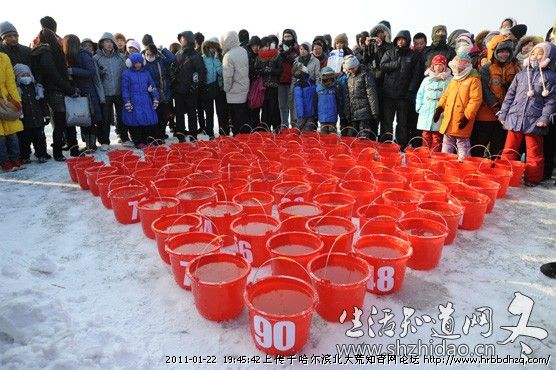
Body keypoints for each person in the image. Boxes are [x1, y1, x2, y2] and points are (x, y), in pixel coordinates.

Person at [499, 42, 556, 186]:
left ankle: (532, 178)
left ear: (548, 56)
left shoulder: (550, 77)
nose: (536, 56)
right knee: (509, 150)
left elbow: (551, 100)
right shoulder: (521, 75)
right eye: (534, 53)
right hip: (515, 117)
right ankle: (504, 174)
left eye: (540, 53)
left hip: (535, 120)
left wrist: (544, 117)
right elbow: (510, 96)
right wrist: (504, 113)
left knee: (534, 153)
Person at [31, 29, 80, 160]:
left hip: (56, 91)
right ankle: (58, 152)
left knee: (67, 122)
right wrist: (70, 89)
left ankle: (73, 149)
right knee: (61, 123)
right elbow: (54, 75)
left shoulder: (43, 52)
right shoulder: (48, 52)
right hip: (56, 92)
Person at [472, 38, 520, 158]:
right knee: (479, 145)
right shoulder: (487, 68)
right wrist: (496, 107)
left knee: (497, 147)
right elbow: (484, 90)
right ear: (495, 52)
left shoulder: (514, 68)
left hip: (504, 116)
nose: (504, 54)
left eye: (507, 52)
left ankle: (494, 170)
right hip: (486, 114)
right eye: (501, 52)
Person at [434, 53, 482, 159]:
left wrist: (467, 117)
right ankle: (445, 163)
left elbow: (475, 100)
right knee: (447, 144)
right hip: (449, 119)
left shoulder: (473, 80)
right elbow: (446, 95)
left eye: (460, 67)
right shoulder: (454, 79)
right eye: (456, 67)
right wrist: (439, 108)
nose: (457, 69)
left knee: (462, 144)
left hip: (462, 119)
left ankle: (464, 166)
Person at [380, 30, 421, 147]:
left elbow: (416, 75)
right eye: (399, 39)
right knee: (387, 121)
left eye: (403, 39)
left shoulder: (413, 55)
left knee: (402, 122)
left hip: (403, 96)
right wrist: (395, 64)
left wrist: (410, 91)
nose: (401, 41)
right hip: (388, 94)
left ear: (407, 41)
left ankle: (401, 144)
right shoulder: (389, 53)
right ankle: (386, 143)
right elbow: (382, 66)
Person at [64, 34, 103, 151]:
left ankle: (92, 145)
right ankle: (88, 144)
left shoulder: (83, 55)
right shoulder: (71, 56)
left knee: (90, 119)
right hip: (79, 91)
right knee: (83, 118)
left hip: (88, 91)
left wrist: (72, 71)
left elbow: (91, 72)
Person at [94, 32, 129, 148]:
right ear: (102, 43)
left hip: (119, 92)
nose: (109, 44)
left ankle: (124, 137)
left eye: (111, 42)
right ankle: (104, 141)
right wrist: (101, 95)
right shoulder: (96, 58)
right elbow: (96, 79)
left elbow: (125, 75)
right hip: (105, 93)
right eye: (106, 42)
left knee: (121, 116)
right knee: (106, 118)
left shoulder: (120, 57)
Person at [171, 31, 206, 142]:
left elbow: (201, 72)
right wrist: (173, 79)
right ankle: (181, 135)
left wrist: (194, 86)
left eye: (183, 38)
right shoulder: (178, 54)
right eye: (180, 38)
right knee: (179, 114)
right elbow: (173, 69)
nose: (181, 40)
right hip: (178, 89)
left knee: (192, 114)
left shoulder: (196, 55)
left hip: (191, 90)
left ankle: (193, 135)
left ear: (189, 40)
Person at [122, 52, 159, 149]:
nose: (138, 64)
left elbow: (152, 85)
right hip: (134, 100)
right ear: (131, 63)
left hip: (146, 99)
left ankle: (148, 139)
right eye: (135, 62)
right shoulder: (127, 73)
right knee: (136, 120)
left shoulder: (146, 72)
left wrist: (155, 97)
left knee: (147, 119)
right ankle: (138, 141)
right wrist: (127, 101)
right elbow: (125, 88)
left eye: (139, 62)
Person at [13, 63, 49, 163]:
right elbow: (17, 105)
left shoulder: (36, 88)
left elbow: (42, 103)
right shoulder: (17, 90)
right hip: (25, 121)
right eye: (23, 76)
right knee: (24, 140)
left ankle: (41, 154)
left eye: (27, 75)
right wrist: (19, 116)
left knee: (40, 138)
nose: (26, 77)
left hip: (38, 119)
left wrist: (46, 115)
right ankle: (25, 156)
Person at [415, 55, 452, 151]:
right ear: (432, 66)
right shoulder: (426, 80)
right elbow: (420, 94)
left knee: (437, 136)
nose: (438, 67)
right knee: (425, 134)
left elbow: (450, 96)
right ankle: (425, 154)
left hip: (440, 112)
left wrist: (446, 110)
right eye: (436, 65)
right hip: (426, 110)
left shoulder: (449, 80)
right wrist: (419, 107)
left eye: (441, 65)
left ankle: (434, 156)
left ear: (444, 66)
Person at [144, 43, 175, 142]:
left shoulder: (160, 61)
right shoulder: (143, 63)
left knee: (163, 115)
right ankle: (154, 136)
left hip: (162, 91)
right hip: (150, 92)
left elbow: (172, 59)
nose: (149, 57)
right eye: (147, 54)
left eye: (151, 55)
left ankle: (161, 135)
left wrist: (163, 50)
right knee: (153, 116)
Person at [343, 55, 379, 138]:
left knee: (363, 136)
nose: (351, 70)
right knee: (353, 136)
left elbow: (371, 93)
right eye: (349, 69)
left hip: (365, 112)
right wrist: (347, 112)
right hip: (354, 111)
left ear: (357, 65)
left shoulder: (365, 74)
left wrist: (374, 111)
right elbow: (347, 96)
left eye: (353, 68)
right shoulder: (349, 77)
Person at [221, 31, 249, 135]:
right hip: (244, 88)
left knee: (235, 119)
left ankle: (238, 141)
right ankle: (246, 139)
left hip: (234, 91)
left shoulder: (228, 56)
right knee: (243, 117)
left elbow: (228, 77)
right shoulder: (243, 51)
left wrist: (226, 89)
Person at [0, 52, 24, 171]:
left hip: (6, 101)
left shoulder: (4, 57)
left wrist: (17, 101)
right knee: (0, 136)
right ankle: (4, 162)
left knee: (12, 132)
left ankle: (15, 159)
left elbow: (10, 82)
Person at [254, 36, 282, 132]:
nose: (265, 48)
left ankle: (276, 128)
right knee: (264, 109)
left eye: (267, 45)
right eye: (263, 46)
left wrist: (271, 70)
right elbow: (256, 70)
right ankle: (265, 128)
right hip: (263, 87)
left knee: (274, 107)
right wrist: (263, 71)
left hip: (274, 86)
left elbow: (280, 70)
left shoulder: (277, 55)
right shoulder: (259, 57)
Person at [200, 39, 222, 139]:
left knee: (219, 110)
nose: (214, 49)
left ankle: (221, 130)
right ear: (207, 47)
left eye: (215, 47)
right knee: (209, 112)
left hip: (216, 86)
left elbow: (221, 72)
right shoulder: (202, 58)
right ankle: (210, 132)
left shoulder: (218, 58)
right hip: (206, 87)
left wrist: (217, 60)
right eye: (212, 47)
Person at [278, 29, 299, 128]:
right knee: (282, 105)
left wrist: (288, 56)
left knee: (293, 105)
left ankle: (294, 125)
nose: (286, 38)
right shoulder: (280, 49)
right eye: (285, 37)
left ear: (293, 37)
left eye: (289, 36)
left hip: (293, 80)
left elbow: (298, 63)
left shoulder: (297, 49)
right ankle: (284, 125)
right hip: (281, 80)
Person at [316, 66, 342, 134]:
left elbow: (338, 102)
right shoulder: (318, 89)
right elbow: (315, 103)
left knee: (332, 138)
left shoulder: (335, 89)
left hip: (333, 119)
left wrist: (340, 113)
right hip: (322, 119)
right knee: (323, 139)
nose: (328, 81)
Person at [293, 64, 317, 131]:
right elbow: (299, 100)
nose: (305, 68)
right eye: (303, 67)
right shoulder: (299, 85)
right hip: (304, 115)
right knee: (302, 132)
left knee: (309, 133)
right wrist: (301, 114)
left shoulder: (311, 81)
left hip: (311, 113)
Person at [245, 36, 261, 127]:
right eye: (253, 45)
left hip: (258, 85)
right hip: (249, 84)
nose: (255, 48)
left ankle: (256, 126)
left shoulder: (261, 56)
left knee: (257, 107)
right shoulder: (247, 55)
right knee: (250, 106)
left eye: (257, 45)